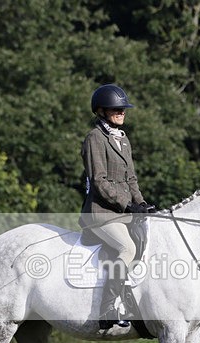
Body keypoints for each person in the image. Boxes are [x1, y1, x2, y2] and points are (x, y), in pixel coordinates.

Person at [80, 84, 155, 330]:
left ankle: (133, 303)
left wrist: (140, 203)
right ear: (101, 110)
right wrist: (127, 204)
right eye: (116, 108)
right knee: (127, 248)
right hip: (101, 214)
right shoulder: (95, 138)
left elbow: (131, 179)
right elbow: (100, 181)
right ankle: (107, 308)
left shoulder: (122, 140)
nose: (121, 112)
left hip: (122, 213)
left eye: (123, 108)